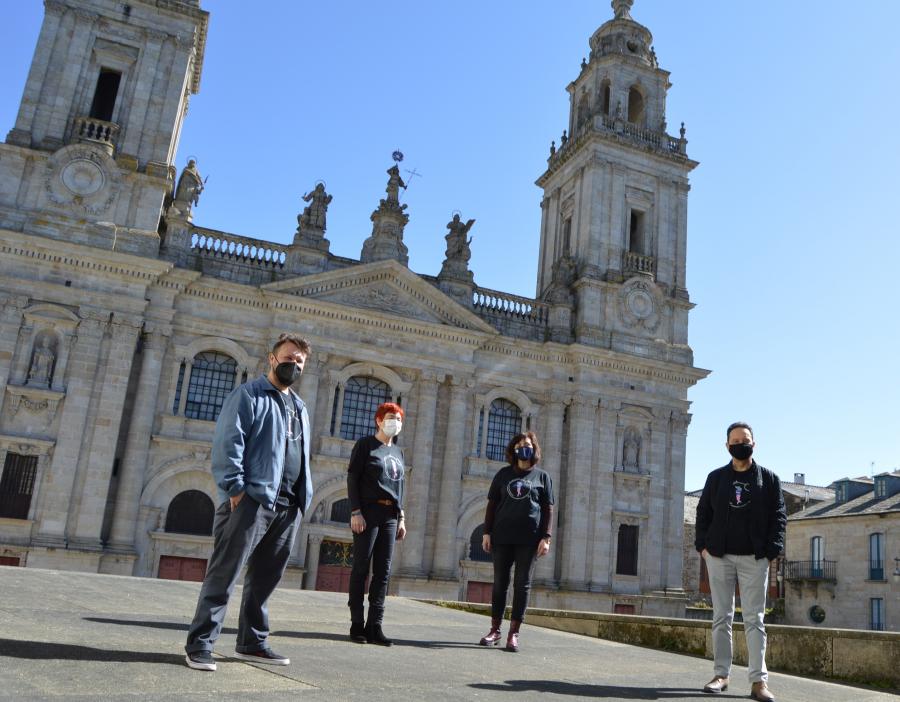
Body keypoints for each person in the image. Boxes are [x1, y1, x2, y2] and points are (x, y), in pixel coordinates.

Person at [184, 333, 314, 671]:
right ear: (271, 359)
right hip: (253, 500)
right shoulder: (249, 395)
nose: (293, 365)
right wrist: (236, 489)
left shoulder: (299, 407)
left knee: (266, 578)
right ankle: (200, 645)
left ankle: (252, 642)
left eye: (299, 361)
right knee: (224, 574)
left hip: (288, 504)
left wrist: (302, 499)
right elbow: (230, 442)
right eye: (288, 358)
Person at [695, 422, 786, 701]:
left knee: (754, 619)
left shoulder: (769, 479)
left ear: (753, 443)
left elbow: (779, 517)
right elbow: (702, 514)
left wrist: (771, 552)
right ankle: (721, 675)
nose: (740, 443)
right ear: (727, 446)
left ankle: (759, 682)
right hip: (719, 556)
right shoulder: (716, 478)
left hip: (755, 559)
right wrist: (703, 548)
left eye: (744, 439)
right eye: (735, 440)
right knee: (721, 617)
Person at [478, 431, 554, 652]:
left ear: (534, 449)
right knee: (500, 583)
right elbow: (492, 505)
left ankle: (514, 634)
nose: (524, 448)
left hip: (529, 539)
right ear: (513, 449)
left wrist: (546, 537)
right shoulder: (503, 474)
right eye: (520, 444)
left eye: (528, 444)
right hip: (502, 536)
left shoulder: (542, 477)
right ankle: (495, 630)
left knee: (522, 585)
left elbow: (548, 509)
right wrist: (486, 532)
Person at [347, 402, 407, 645]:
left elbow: (399, 486)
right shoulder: (365, 445)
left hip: (390, 514)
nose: (396, 422)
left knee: (383, 572)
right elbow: (353, 477)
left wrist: (401, 516)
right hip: (368, 511)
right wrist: (355, 511)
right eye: (391, 417)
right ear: (379, 420)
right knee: (361, 567)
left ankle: (375, 626)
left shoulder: (399, 452)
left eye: (399, 419)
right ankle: (357, 625)